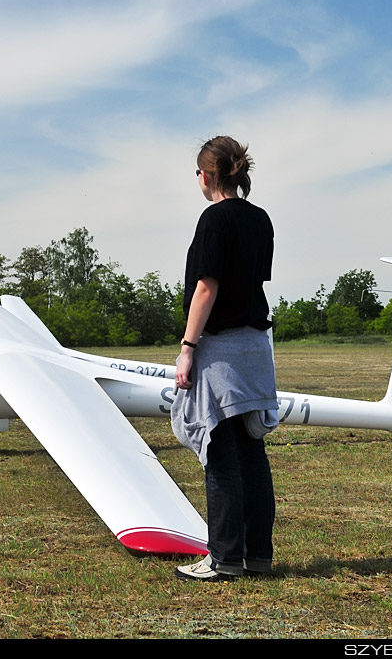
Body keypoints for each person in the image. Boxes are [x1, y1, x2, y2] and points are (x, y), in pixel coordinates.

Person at [171, 135, 279, 582]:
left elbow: (206, 287)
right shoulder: (262, 219)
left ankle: (224, 559)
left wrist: (187, 347)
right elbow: (255, 280)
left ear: (207, 175)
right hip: (256, 348)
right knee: (251, 452)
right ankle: (258, 555)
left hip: (221, 350)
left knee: (220, 453)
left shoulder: (214, 219)